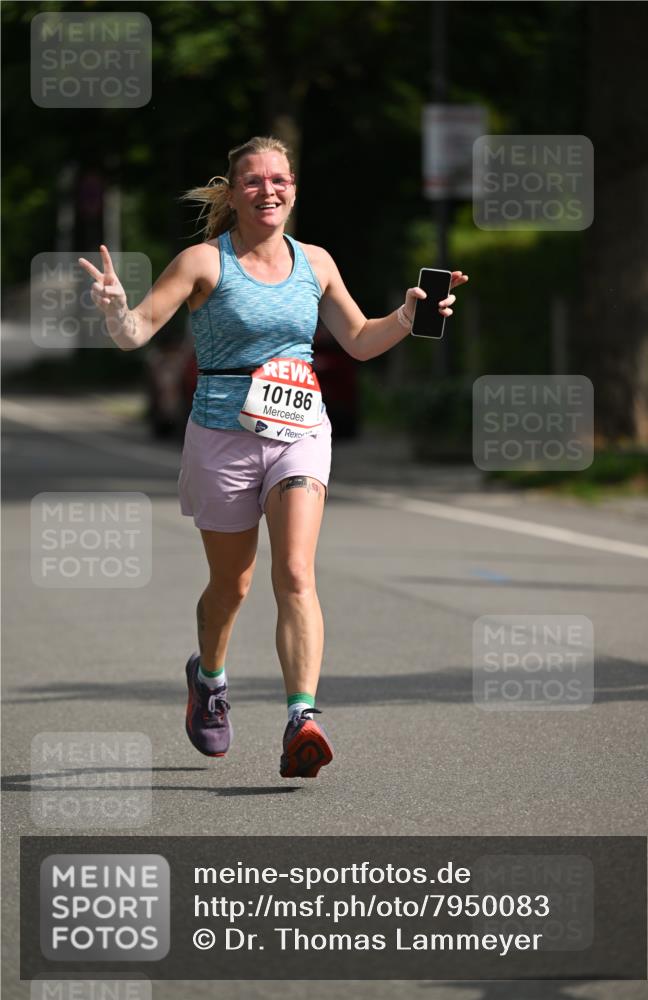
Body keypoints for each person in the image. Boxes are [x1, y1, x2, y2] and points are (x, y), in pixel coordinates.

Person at [78, 135, 468, 779]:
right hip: (221, 437)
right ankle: (208, 678)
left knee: (295, 572)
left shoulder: (316, 262)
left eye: (279, 179)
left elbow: (359, 340)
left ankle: (301, 719)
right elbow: (137, 331)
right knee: (231, 586)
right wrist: (117, 311)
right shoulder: (204, 262)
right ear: (233, 194)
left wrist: (404, 316)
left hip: (300, 431)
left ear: (293, 189)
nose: (268, 190)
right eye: (254, 181)